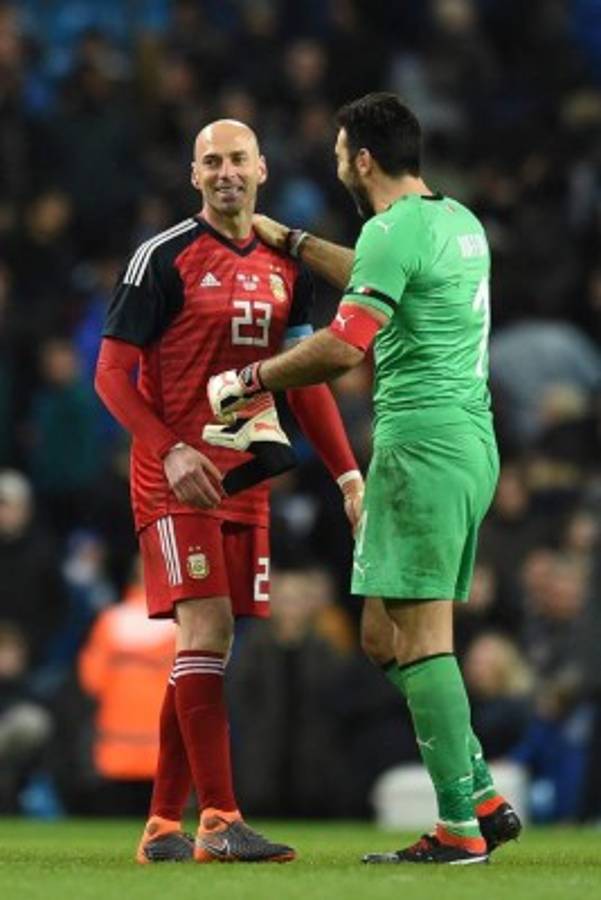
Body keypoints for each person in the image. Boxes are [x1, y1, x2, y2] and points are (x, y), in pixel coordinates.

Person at [208, 92, 522, 865]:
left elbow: (346, 346)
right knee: (384, 634)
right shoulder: (455, 221)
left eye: (340, 152)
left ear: (362, 160)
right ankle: (478, 792)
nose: (337, 163)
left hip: (419, 448)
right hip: (469, 446)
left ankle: (458, 828)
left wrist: (250, 377)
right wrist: (294, 241)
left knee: (418, 638)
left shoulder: (389, 230)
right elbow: (376, 274)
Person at [95, 119, 363, 863]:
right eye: (210, 161)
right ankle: (218, 818)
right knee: (207, 632)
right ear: (193, 176)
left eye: (237, 159)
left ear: (262, 169)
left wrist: (346, 473)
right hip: (175, 474)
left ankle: (159, 826)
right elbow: (111, 377)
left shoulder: (287, 263)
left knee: (205, 646)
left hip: (244, 479)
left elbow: (302, 377)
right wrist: (170, 450)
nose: (225, 172)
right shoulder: (163, 256)